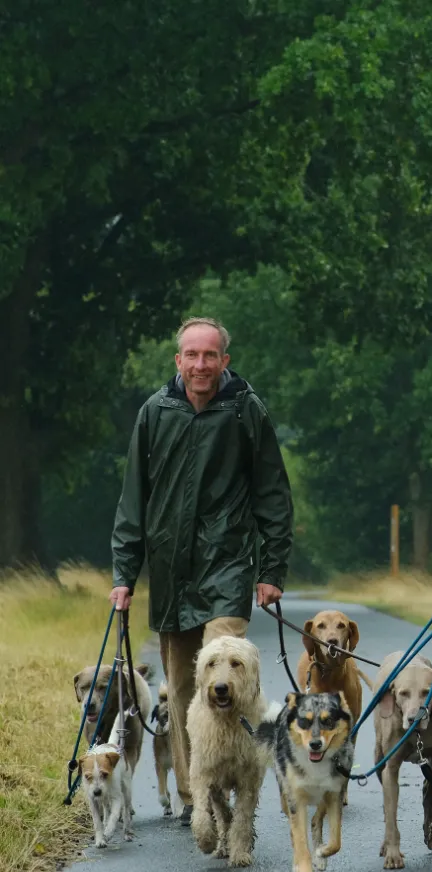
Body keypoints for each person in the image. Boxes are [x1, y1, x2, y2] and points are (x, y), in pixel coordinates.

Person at [110, 317, 294, 825]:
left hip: (228, 563)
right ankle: (200, 796)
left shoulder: (245, 411)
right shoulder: (155, 411)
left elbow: (273, 492)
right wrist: (124, 573)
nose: (200, 365)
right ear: (178, 361)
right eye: (191, 355)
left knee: (226, 666)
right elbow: (134, 499)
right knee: (184, 688)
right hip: (170, 569)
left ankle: (239, 771)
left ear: (224, 361)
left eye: (210, 356)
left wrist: (272, 567)